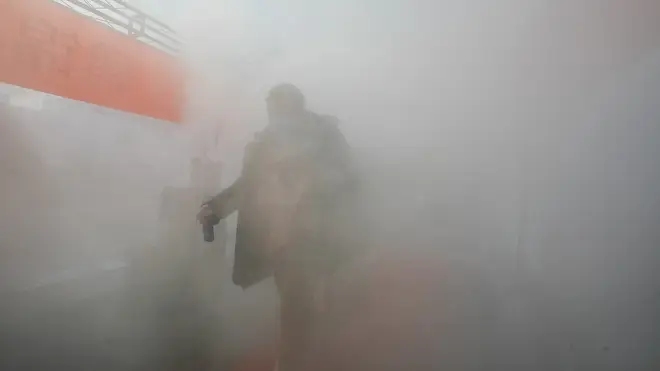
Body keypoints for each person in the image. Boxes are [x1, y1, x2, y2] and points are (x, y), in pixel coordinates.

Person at [197, 83, 356, 371]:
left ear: (295, 108)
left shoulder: (325, 140)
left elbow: (349, 181)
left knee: (305, 310)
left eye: (278, 109)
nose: (273, 116)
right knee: (299, 311)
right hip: (284, 240)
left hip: (317, 239)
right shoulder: (267, 144)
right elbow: (248, 185)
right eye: (271, 110)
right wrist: (216, 208)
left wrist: (313, 187)